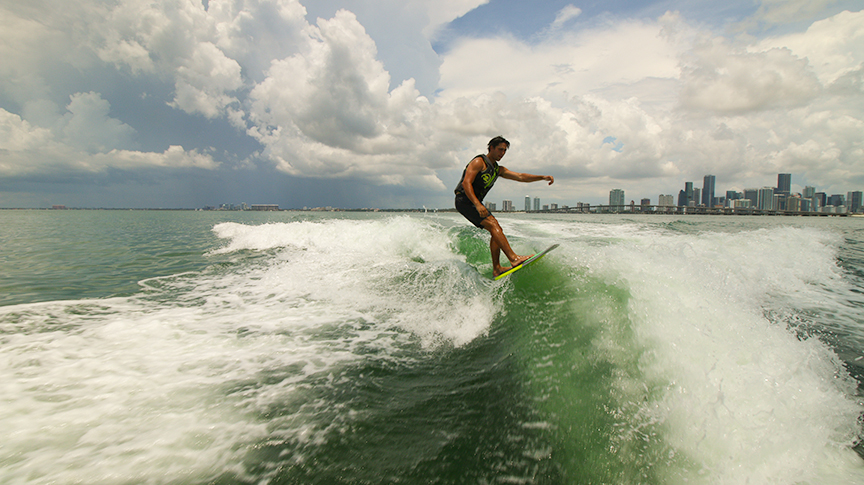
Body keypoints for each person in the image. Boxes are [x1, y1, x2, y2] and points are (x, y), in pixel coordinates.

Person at [454, 136, 554, 277]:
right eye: (500, 149)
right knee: (494, 226)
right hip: (465, 201)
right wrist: (477, 205)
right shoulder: (478, 162)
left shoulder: (497, 169)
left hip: (473, 202)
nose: (502, 153)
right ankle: (513, 258)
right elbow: (466, 183)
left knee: (496, 230)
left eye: (504, 151)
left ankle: (497, 269)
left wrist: (542, 177)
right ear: (491, 148)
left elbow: (520, 176)